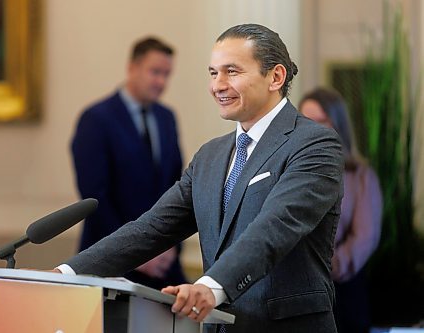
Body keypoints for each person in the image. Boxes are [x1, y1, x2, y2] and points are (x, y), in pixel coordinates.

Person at [59, 24, 344, 333]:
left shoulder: (315, 144)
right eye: (212, 73)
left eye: (231, 71)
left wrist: (210, 286)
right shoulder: (211, 156)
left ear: (275, 77)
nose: (217, 85)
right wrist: (66, 274)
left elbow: (275, 227)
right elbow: (150, 228)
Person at [70, 37, 186, 289]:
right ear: (132, 67)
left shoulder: (167, 118)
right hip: (108, 260)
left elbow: (178, 187)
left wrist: (170, 248)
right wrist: (136, 253)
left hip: (163, 264)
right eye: (155, 72)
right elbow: (94, 198)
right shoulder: (96, 119)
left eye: (167, 74)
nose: (161, 82)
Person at [299, 87, 383, 333]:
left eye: (320, 121)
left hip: (341, 291)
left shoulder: (360, 177)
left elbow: (365, 238)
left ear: (337, 124)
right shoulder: (292, 172)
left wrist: (326, 267)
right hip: (297, 294)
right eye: (305, 121)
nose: (311, 129)